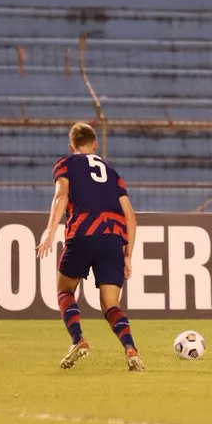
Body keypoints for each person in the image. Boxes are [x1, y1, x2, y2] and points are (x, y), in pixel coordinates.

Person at [36, 122, 144, 372]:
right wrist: (128, 256)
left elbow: (61, 195)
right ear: (95, 144)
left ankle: (78, 340)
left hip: (83, 232)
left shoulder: (66, 163)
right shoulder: (113, 172)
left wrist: (50, 230)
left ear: (71, 145)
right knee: (110, 304)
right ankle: (130, 348)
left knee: (65, 290)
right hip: (113, 239)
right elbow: (131, 217)